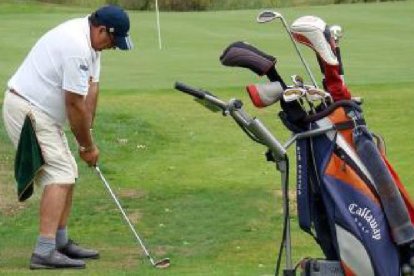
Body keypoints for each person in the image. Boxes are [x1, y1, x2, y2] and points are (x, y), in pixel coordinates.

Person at [2, 5, 133, 269]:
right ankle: (44, 251)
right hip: (27, 108)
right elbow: (73, 103)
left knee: (68, 171)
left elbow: (91, 89)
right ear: (100, 30)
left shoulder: (92, 44)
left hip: (42, 112)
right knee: (60, 173)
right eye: (112, 40)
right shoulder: (77, 47)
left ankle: (60, 243)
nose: (113, 47)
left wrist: (88, 134)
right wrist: (86, 145)